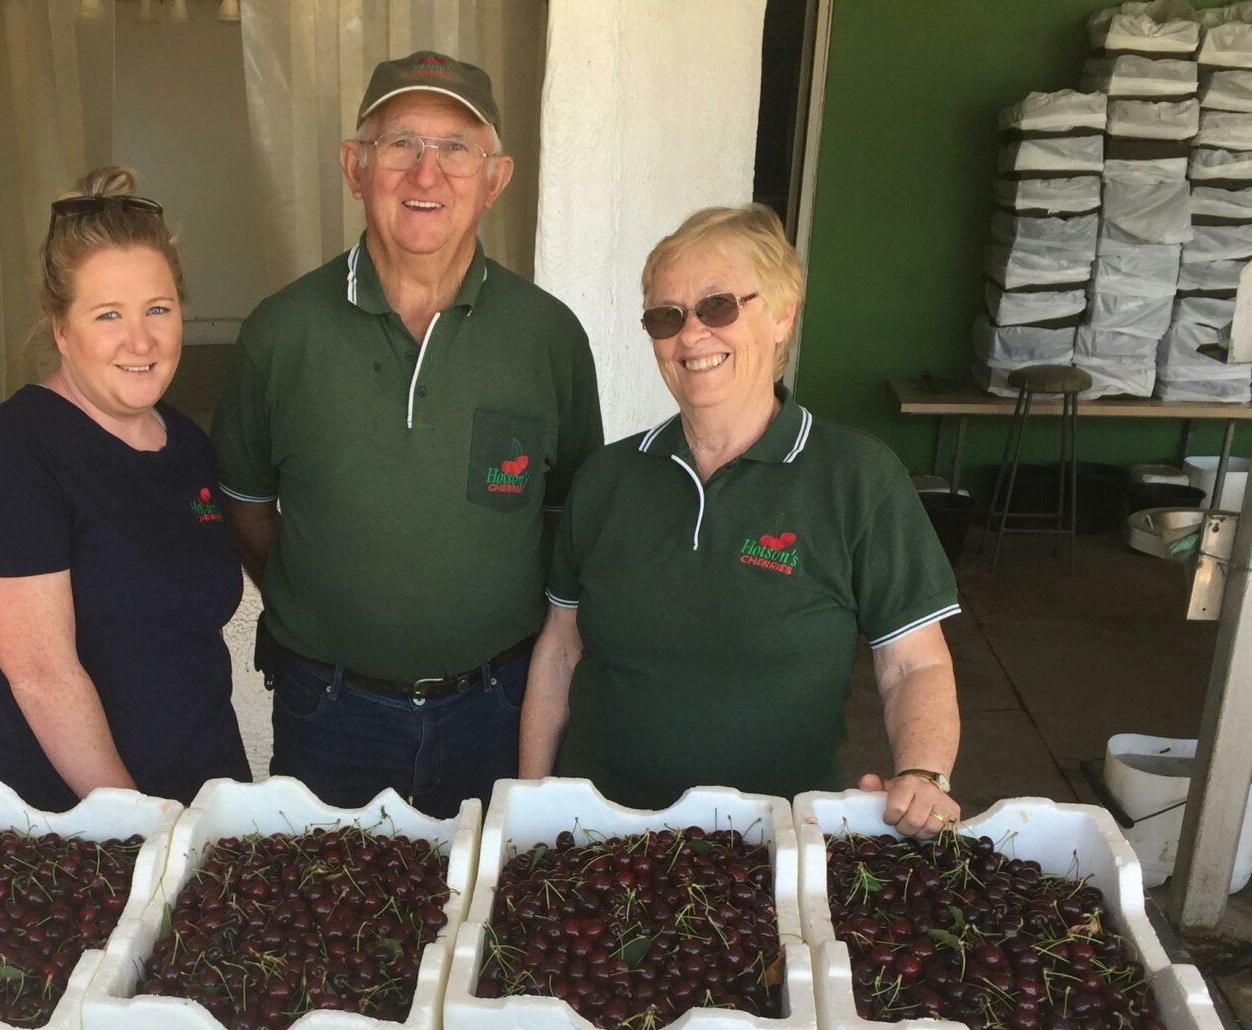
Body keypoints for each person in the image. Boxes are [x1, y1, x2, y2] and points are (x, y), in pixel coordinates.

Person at [213, 51, 602, 818]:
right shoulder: (279, 334)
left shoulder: (548, 337)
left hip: (499, 711)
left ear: (496, 177)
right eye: (401, 145)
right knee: (332, 922)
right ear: (355, 167)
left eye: (457, 147)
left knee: (493, 922)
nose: (427, 175)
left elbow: (566, 522)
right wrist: (335, 613)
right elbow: (246, 513)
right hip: (329, 714)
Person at [520, 204, 962, 836]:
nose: (691, 335)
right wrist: (532, 803)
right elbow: (561, 650)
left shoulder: (857, 477)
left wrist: (922, 774)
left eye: (719, 306)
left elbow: (914, 663)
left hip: (771, 845)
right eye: (666, 316)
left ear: (783, 316)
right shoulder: (608, 479)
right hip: (598, 836)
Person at [0, 167, 249, 808]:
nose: (141, 340)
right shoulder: (10, 455)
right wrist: (139, 825)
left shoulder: (187, 445)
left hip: (205, 794)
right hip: (67, 825)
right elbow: (44, 676)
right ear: (60, 329)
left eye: (159, 309)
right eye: (109, 315)